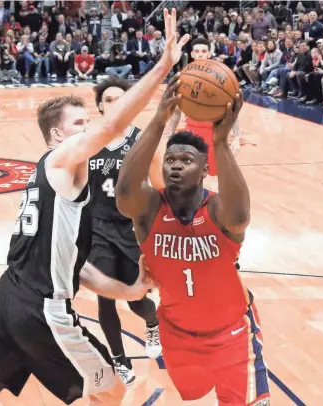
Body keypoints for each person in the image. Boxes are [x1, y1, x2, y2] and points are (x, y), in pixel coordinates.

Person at [0, 9, 189, 406]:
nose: (89, 129)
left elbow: (76, 269)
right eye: (80, 124)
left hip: (8, 298)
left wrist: (129, 289)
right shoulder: (63, 162)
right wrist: (162, 67)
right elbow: (114, 126)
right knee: (113, 392)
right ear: (56, 136)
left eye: (87, 122)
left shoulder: (51, 180)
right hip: (43, 311)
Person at [115, 76, 270, 406]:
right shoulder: (150, 208)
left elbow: (240, 216)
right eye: (171, 160)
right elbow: (125, 193)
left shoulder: (217, 209)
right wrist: (158, 121)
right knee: (195, 399)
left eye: (186, 160)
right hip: (177, 334)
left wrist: (222, 142)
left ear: (203, 169)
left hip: (233, 333)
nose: (174, 166)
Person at [88, 76, 164, 386]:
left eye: (121, 98)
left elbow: (159, 186)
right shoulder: (87, 140)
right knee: (105, 297)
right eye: (108, 99)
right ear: (99, 107)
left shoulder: (141, 140)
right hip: (96, 229)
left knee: (136, 301)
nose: (115, 103)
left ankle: (153, 321)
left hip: (131, 228)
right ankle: (119, 360)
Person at [168, 38, 240, 192]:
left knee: (214, 179)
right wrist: (170, 133)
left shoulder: (220, 76)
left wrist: (237, 137)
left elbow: (232, 110)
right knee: (191, 176)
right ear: (192, 54)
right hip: (192, 133)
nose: (200, 54)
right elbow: (176, 111)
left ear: (209, 53)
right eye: (197, 51)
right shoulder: (184, 77)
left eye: (204, 51)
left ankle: (215, 212)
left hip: (214, 133)